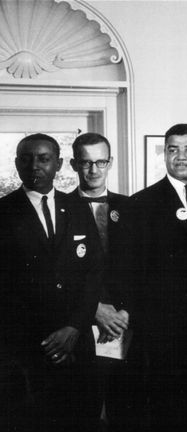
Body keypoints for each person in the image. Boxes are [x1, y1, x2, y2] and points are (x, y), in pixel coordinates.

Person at [118, 123, 187, 431]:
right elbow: (131, 271)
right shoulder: (142, 204)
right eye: (173, 150)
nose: (181, 157)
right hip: (166, 336)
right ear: (165, 154)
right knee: (172, 413)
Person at [0, 134, 102, 431]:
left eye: (44, 159)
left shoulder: (79, 208)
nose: (35, 166)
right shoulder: (4, 212)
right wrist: (48, 338)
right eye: (26, 159)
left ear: (58, 164)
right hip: (26, 350)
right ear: (16, 164)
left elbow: (94, 272)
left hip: (77, 341)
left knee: (81, 419)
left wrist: (73, 327)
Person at [66, 132, 134, 430]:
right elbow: (57, 274)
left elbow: (145, 270)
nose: (94, 170)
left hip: (127, 325)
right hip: (79, 325)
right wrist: (94, 309)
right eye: (86, 163)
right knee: (84, 412)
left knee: (126, 410)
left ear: (111, 163)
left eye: (101, 162)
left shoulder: (133, 208)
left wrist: (125, 313)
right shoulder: (58, 208)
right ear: (73, 165)